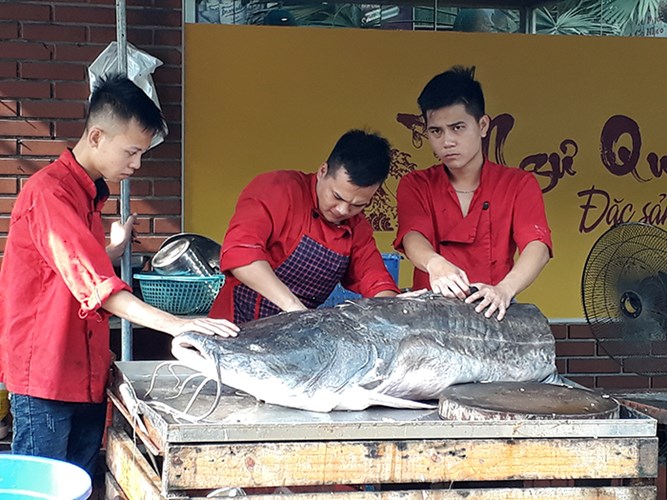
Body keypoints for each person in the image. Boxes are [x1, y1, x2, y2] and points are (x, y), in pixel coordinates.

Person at [0, 74, 239, 478]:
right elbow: (97, 286)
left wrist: (113, 248)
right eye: (132, 151)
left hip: (82, 368)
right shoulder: (50, 193)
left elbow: (70, 266)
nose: (137, 164)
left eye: (142, 153)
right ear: (96, 136)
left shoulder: (87, 194)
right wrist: (180, 324)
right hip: (46, 374)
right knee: (45, 482)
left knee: (80, 479)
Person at [393, 66, 552, 321]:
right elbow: (412, 236)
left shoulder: (519, 184)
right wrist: (435, 264)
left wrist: (505, 289)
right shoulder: (416, 184)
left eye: (458, 127)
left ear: (483, 125)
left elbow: (538, 246)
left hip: (494, 311)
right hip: (430, 317)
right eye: (436, 131)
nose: (447, 141)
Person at [208, 129, 400, 324]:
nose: (343, 210)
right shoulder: (277, 190)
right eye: (337, 196)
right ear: (323, 171)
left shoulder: (357, 227)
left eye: (358, 205)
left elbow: (376, 281)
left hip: (293, 334)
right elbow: (241, 256)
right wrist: (294, 308)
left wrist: (390, 313)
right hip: (234, 326)